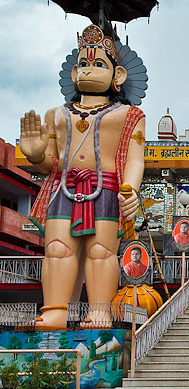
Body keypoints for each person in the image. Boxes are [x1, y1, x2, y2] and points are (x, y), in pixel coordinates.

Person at [20, 24, 145, 330]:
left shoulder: (128, 116)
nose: (90, 70)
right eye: (84, 64)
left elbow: (134, 159)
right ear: (74, 73)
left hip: (106, 189)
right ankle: (55, 311)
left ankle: (100, 311)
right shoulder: (56, 115)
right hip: (63, 187)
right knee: (57, 250)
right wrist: (36, 154)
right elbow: (51, 163)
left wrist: (130, 190)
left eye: (99, 64)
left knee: (101, 253)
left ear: (118, 76)